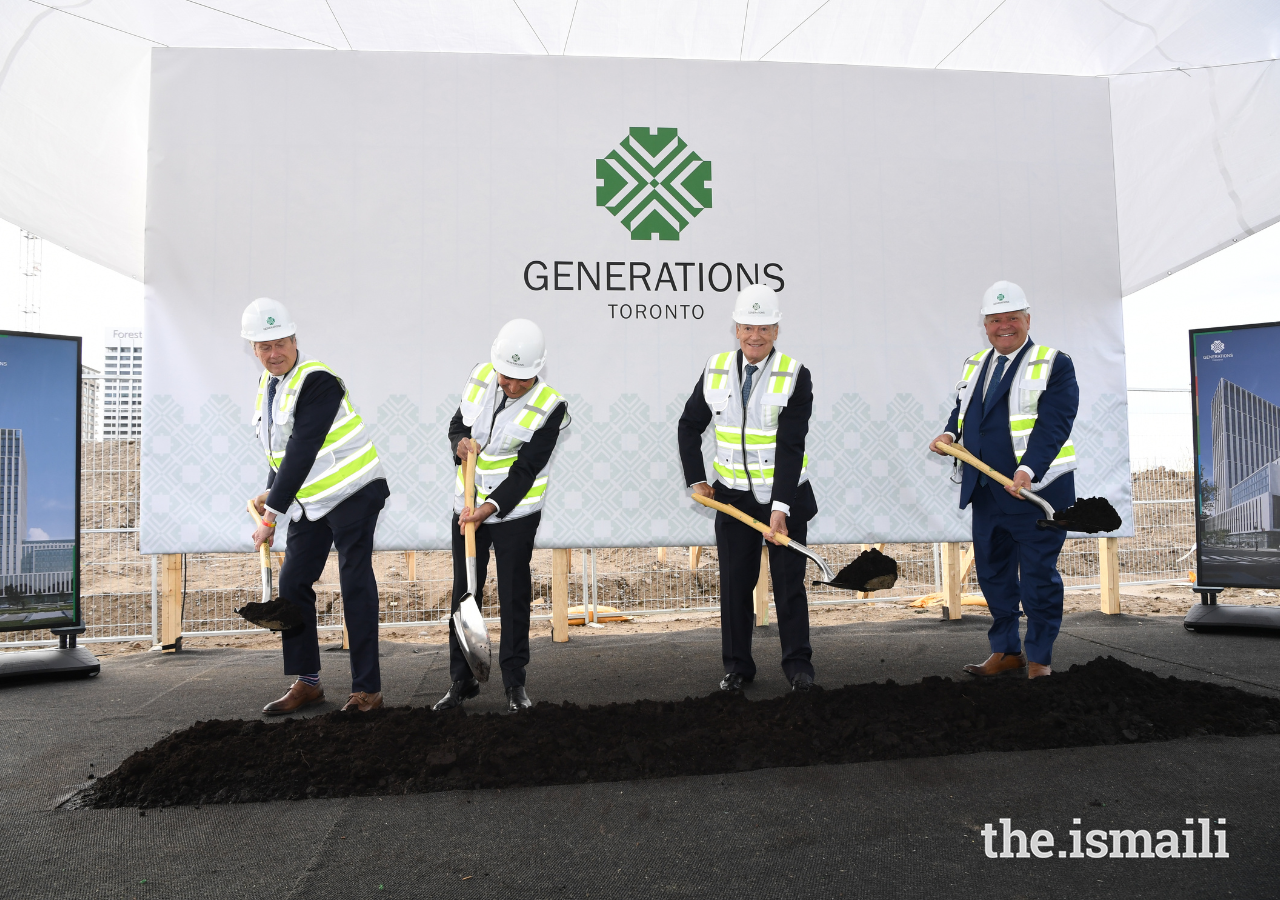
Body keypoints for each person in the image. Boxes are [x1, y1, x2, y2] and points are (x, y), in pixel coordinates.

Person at [243, 297, 391, 714]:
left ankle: (368, 691)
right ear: (253, 349)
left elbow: (305, 448)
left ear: (294, 339)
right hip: (312, 501)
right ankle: (308, 682)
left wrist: (272, 514)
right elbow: (282, 454)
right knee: (292, 585)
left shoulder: (318, 380)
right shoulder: (268, 387)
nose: (273, 354)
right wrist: (271, 490)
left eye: (280, 344)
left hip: (355, 493)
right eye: (263, 347)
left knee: (354, 583)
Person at [929, 281, 1079, 679]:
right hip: (986, 490)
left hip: (1036, 493)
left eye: (1012, 318)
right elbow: (962, 413)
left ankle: (1039, 658)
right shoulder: (975, 363)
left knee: (1036, 577)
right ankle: (1006, 650)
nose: (1004, 326)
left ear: (1028, 320)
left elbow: (1054, 425)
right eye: (996, 320)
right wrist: (949, 435)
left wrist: (1029, 470)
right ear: (985, 324)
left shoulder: (1054, 363)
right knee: (994, 574)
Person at [677, 284, 819, 693]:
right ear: (736, 329)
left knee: (789, 586)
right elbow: (689, 425)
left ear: (776, 330)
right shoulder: (716, 367)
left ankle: (798, 668)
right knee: (735, 587)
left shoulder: (795, 374)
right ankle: (738, 667)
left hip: (783, 498)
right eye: (747, 327)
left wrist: (781, 507)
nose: (754, 336)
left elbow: (792, 447)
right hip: (733, 500)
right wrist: (697, 479)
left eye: (764, 328)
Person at [433, 318, 568, 713]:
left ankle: (514, 683)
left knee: (513, 594)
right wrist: (460, 444)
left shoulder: (550, 406)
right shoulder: (480, 376)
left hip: (514, 514)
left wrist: (489, 509)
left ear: (535, 372)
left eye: (517, 381)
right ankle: (462, 680)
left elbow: (527, 470)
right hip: (466, 507)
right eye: (504, 376)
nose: (507, 385)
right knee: (465, 592)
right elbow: (457, 425)